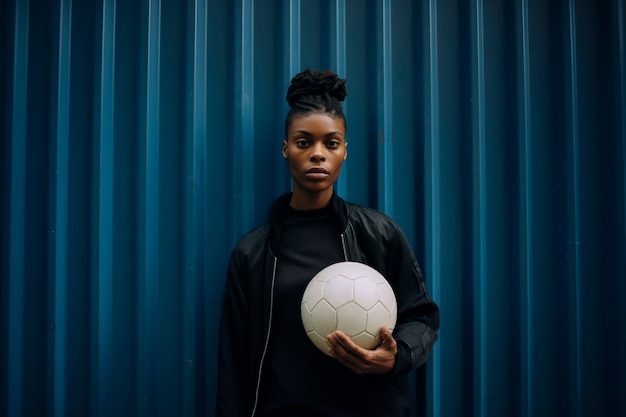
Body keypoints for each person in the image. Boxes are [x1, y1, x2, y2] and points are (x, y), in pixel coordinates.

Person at [216, 68, 439, 417]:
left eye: (330, 143)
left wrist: (396, 356)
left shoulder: (379, 234)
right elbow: (233, 362)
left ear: (345, 151)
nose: (317, 154)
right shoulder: (253, 252)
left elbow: (422, 316)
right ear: (285, 149)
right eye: (304, 142)